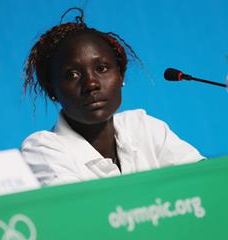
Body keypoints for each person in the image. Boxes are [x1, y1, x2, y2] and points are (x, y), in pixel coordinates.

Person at [21, 8, 204, 186]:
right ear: (51, 89)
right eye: (72, 75)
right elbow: (84, 211)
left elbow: (207, 182)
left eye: (101, 68)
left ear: (121, 76)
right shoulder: (42, 149)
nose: (91, 84)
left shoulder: (144, 127)